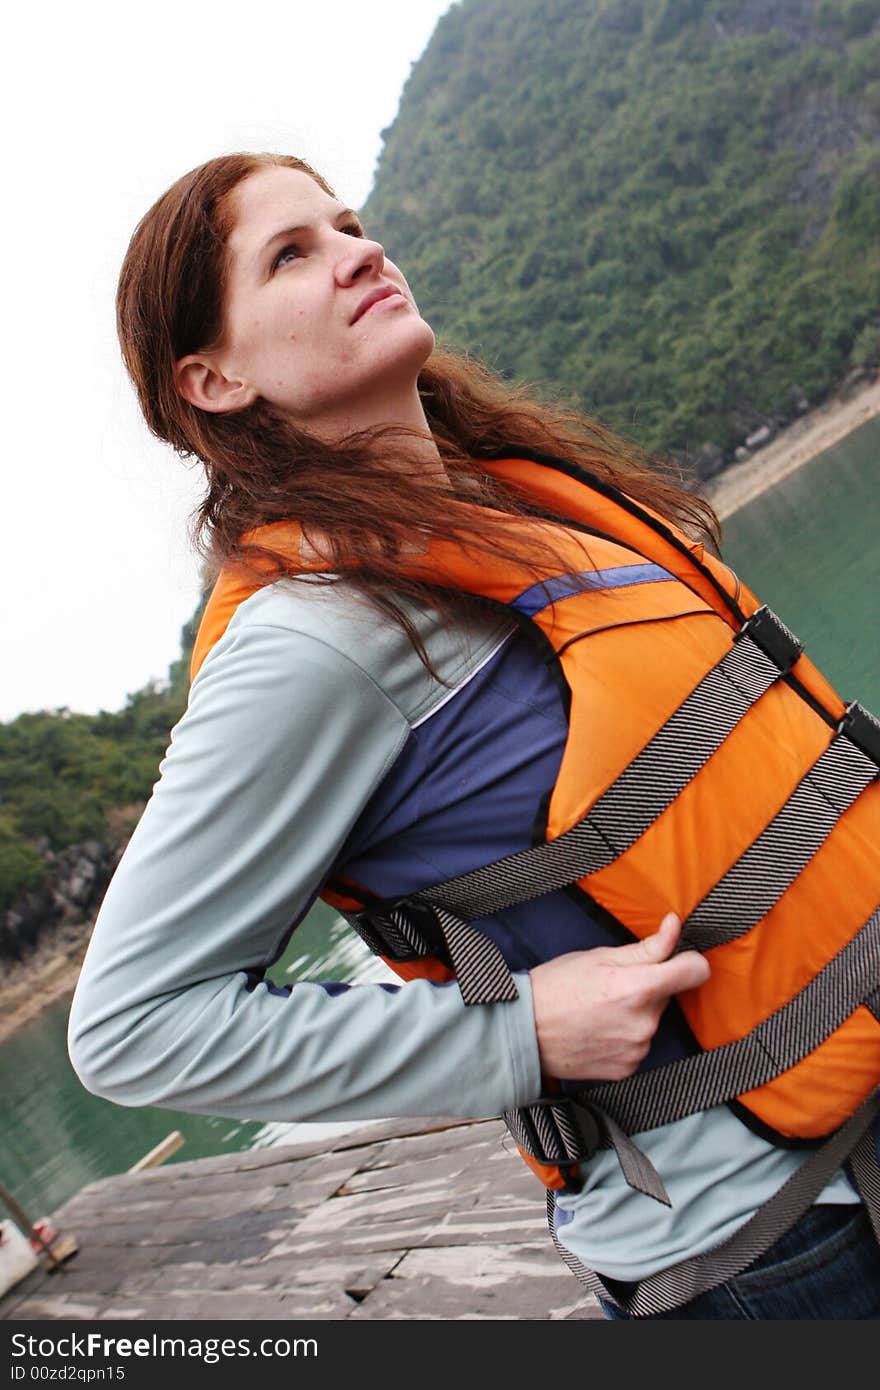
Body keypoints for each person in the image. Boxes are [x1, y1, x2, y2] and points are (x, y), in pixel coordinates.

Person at [67, 152, 880, 1320]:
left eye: (348, 225)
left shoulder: (521, 506)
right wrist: (520, 1034)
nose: (359, 251)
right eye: (291, 254)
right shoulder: (310, 641)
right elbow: (133, 1027)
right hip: (769, 1243)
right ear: (213, 379)